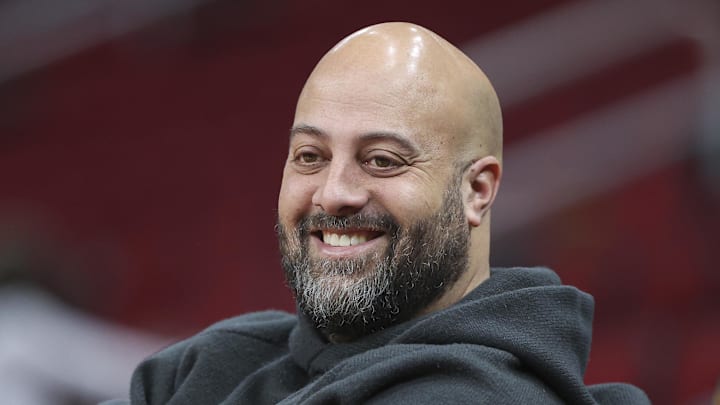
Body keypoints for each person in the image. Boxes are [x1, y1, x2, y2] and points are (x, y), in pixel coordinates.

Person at [105, 22, 650, 404]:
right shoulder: (211, 362)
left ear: (476, 191)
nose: (332, 193)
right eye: (310, 157)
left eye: (382, 160)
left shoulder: (479, 396)